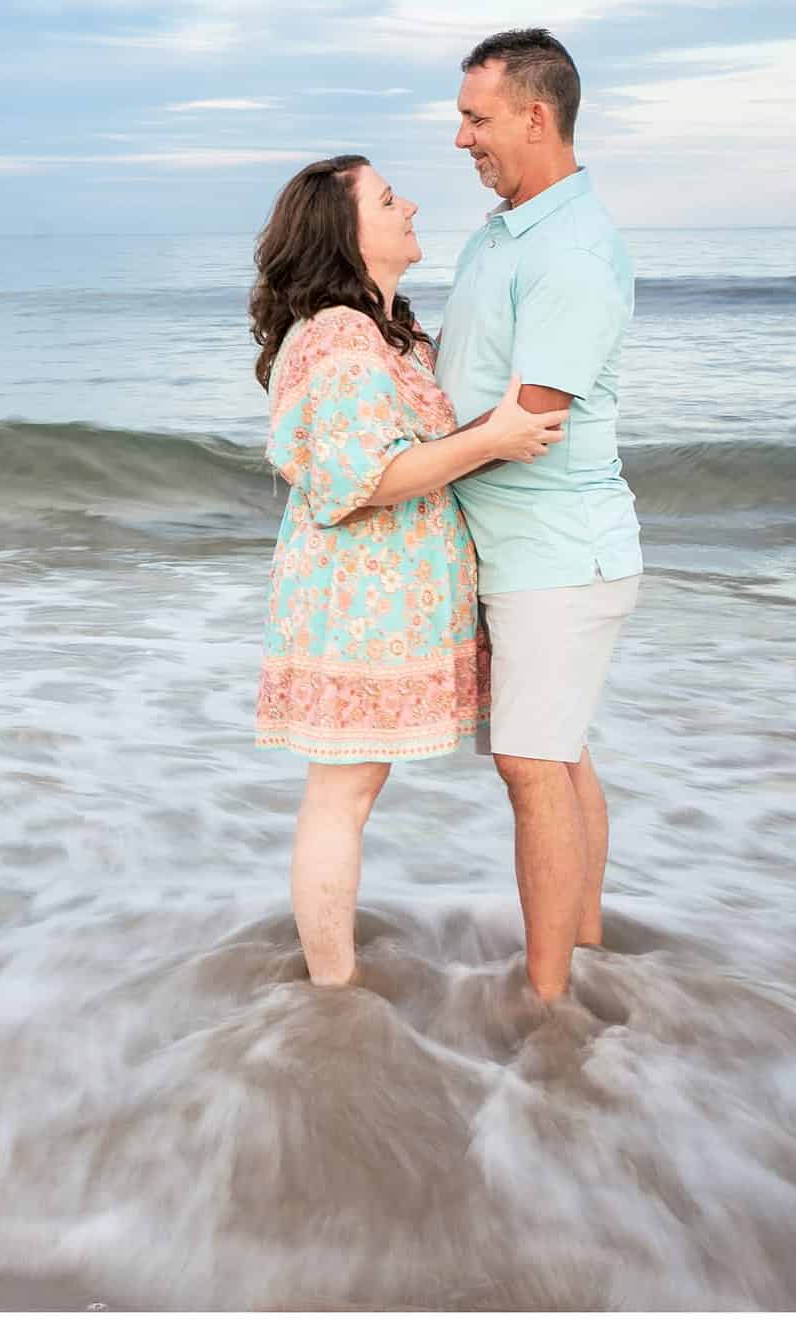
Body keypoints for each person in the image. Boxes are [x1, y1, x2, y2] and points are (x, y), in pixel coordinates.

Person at [250, 154, 567, 988]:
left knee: (350, 786)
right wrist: (491, 440)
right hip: (357, 594)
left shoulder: (379, 328)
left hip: (371, 594)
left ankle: (332, 978)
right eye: (390, 200)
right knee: (343, 791)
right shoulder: (344, 336)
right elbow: (366, 478)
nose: (413, 205)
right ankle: (331, 991)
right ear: (347, 235)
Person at [435, 28, 642, 1004]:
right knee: (557, 751)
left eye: (476, 118)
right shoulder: (502, 231)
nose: (461, 138)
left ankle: (548, 1004)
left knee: (530, 763)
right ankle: (585, 945)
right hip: (515, 548)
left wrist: (403, 468)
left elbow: (534, 416)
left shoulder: (572, 247)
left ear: (534, 115)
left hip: (556, 550)